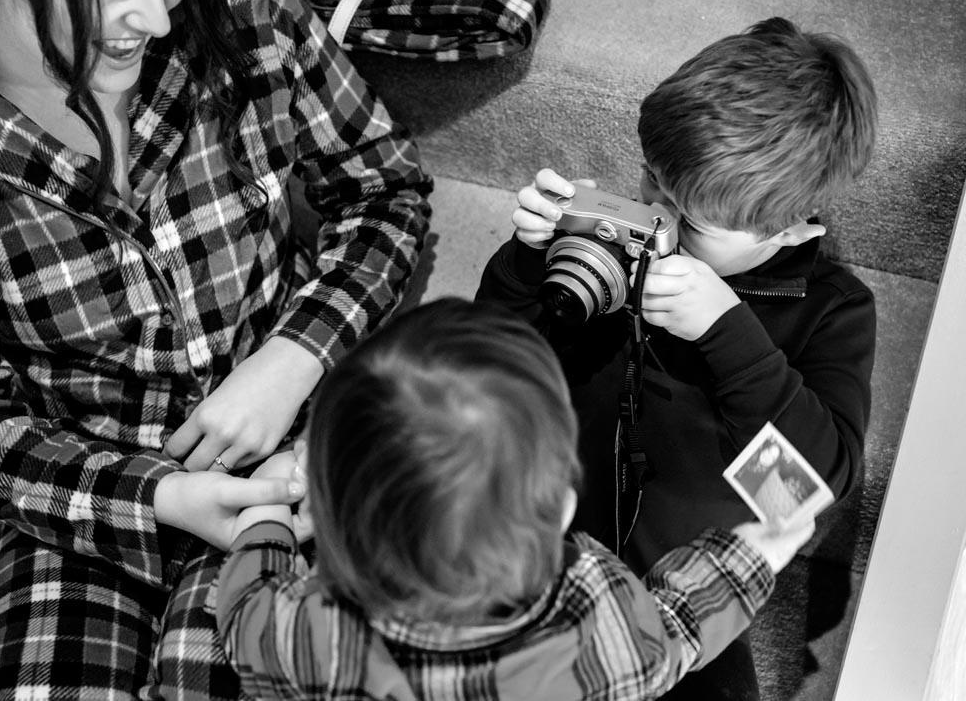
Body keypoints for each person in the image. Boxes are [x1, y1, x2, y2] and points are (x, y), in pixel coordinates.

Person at [0, 0, 432, 698]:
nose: (153, 14)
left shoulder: (249, 7)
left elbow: (385, 193)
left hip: (287, 449)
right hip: (78, 494)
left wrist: (294, 356)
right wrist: (159, 495)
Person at [476, 16, 877, 700]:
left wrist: (728, 332)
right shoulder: (627, 237)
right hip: (544, 537)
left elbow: (806, 492)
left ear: (793, 225)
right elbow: (488, 363)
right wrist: (531, 260)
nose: (658, 217)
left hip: (686, 587)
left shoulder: (830, 310)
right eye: (652, 182)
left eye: (689, 220)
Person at [214, 298, 815, 700]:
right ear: (561, 508)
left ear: (326, 513)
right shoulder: (599, 613)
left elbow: (242, 616)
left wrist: (267, 516)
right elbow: (676, 630)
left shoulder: (314, 634)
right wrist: (766, 538)